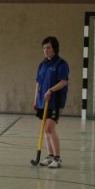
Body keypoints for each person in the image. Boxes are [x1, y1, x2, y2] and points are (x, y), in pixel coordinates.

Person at [33, 36, 69, 169]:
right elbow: (38, 83)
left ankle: (57, 158)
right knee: (45, 129)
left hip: (55, 101)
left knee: (49, 128)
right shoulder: (42, 65)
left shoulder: (61, 64)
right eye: (44, 48)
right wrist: (35, 99)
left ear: (54, 48)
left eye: (48, 47)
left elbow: (64, 81)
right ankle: (50, 156)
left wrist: (51, 90)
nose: (46, 50)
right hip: (42, 101)